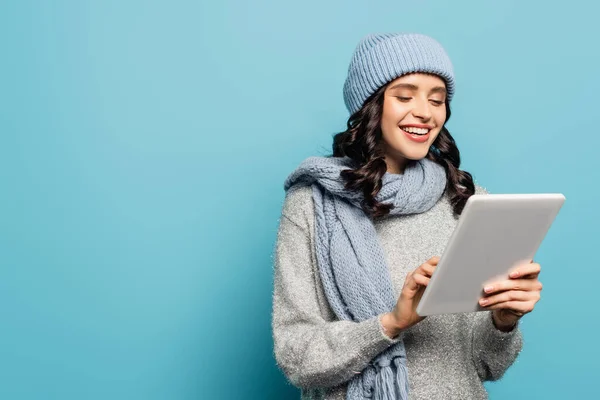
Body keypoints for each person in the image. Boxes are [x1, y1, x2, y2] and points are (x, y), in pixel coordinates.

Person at [271, 33, 543, 400]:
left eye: (437, 100)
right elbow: (296, 354)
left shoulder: (466, 198)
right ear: (371, 105)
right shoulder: (313, 202)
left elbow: (486, 365)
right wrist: (392, 322)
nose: (425, 112)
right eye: (404, 96)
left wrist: (503, 321)